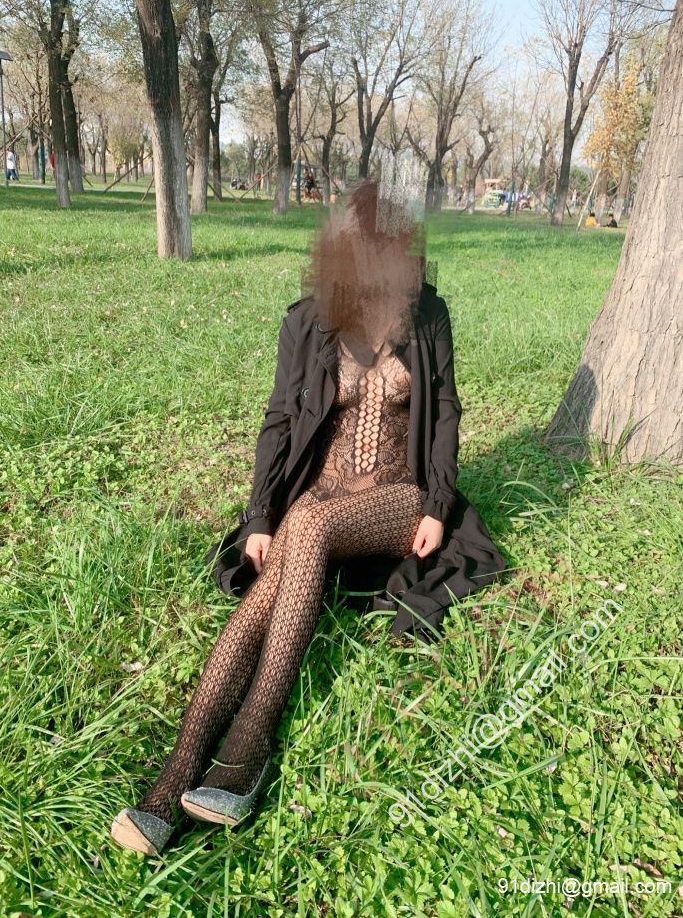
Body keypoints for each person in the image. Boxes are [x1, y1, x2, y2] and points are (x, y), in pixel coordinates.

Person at [110, 177, 506, 856]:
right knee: (273, 580)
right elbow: (278, 420)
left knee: (313, 528)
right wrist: (260, 516)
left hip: (397, 498)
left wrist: (439, 507)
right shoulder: (307, 320)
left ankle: (250, 744)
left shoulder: (428, 315)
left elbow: (444, 414)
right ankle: (172, 780)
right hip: (317, 496)